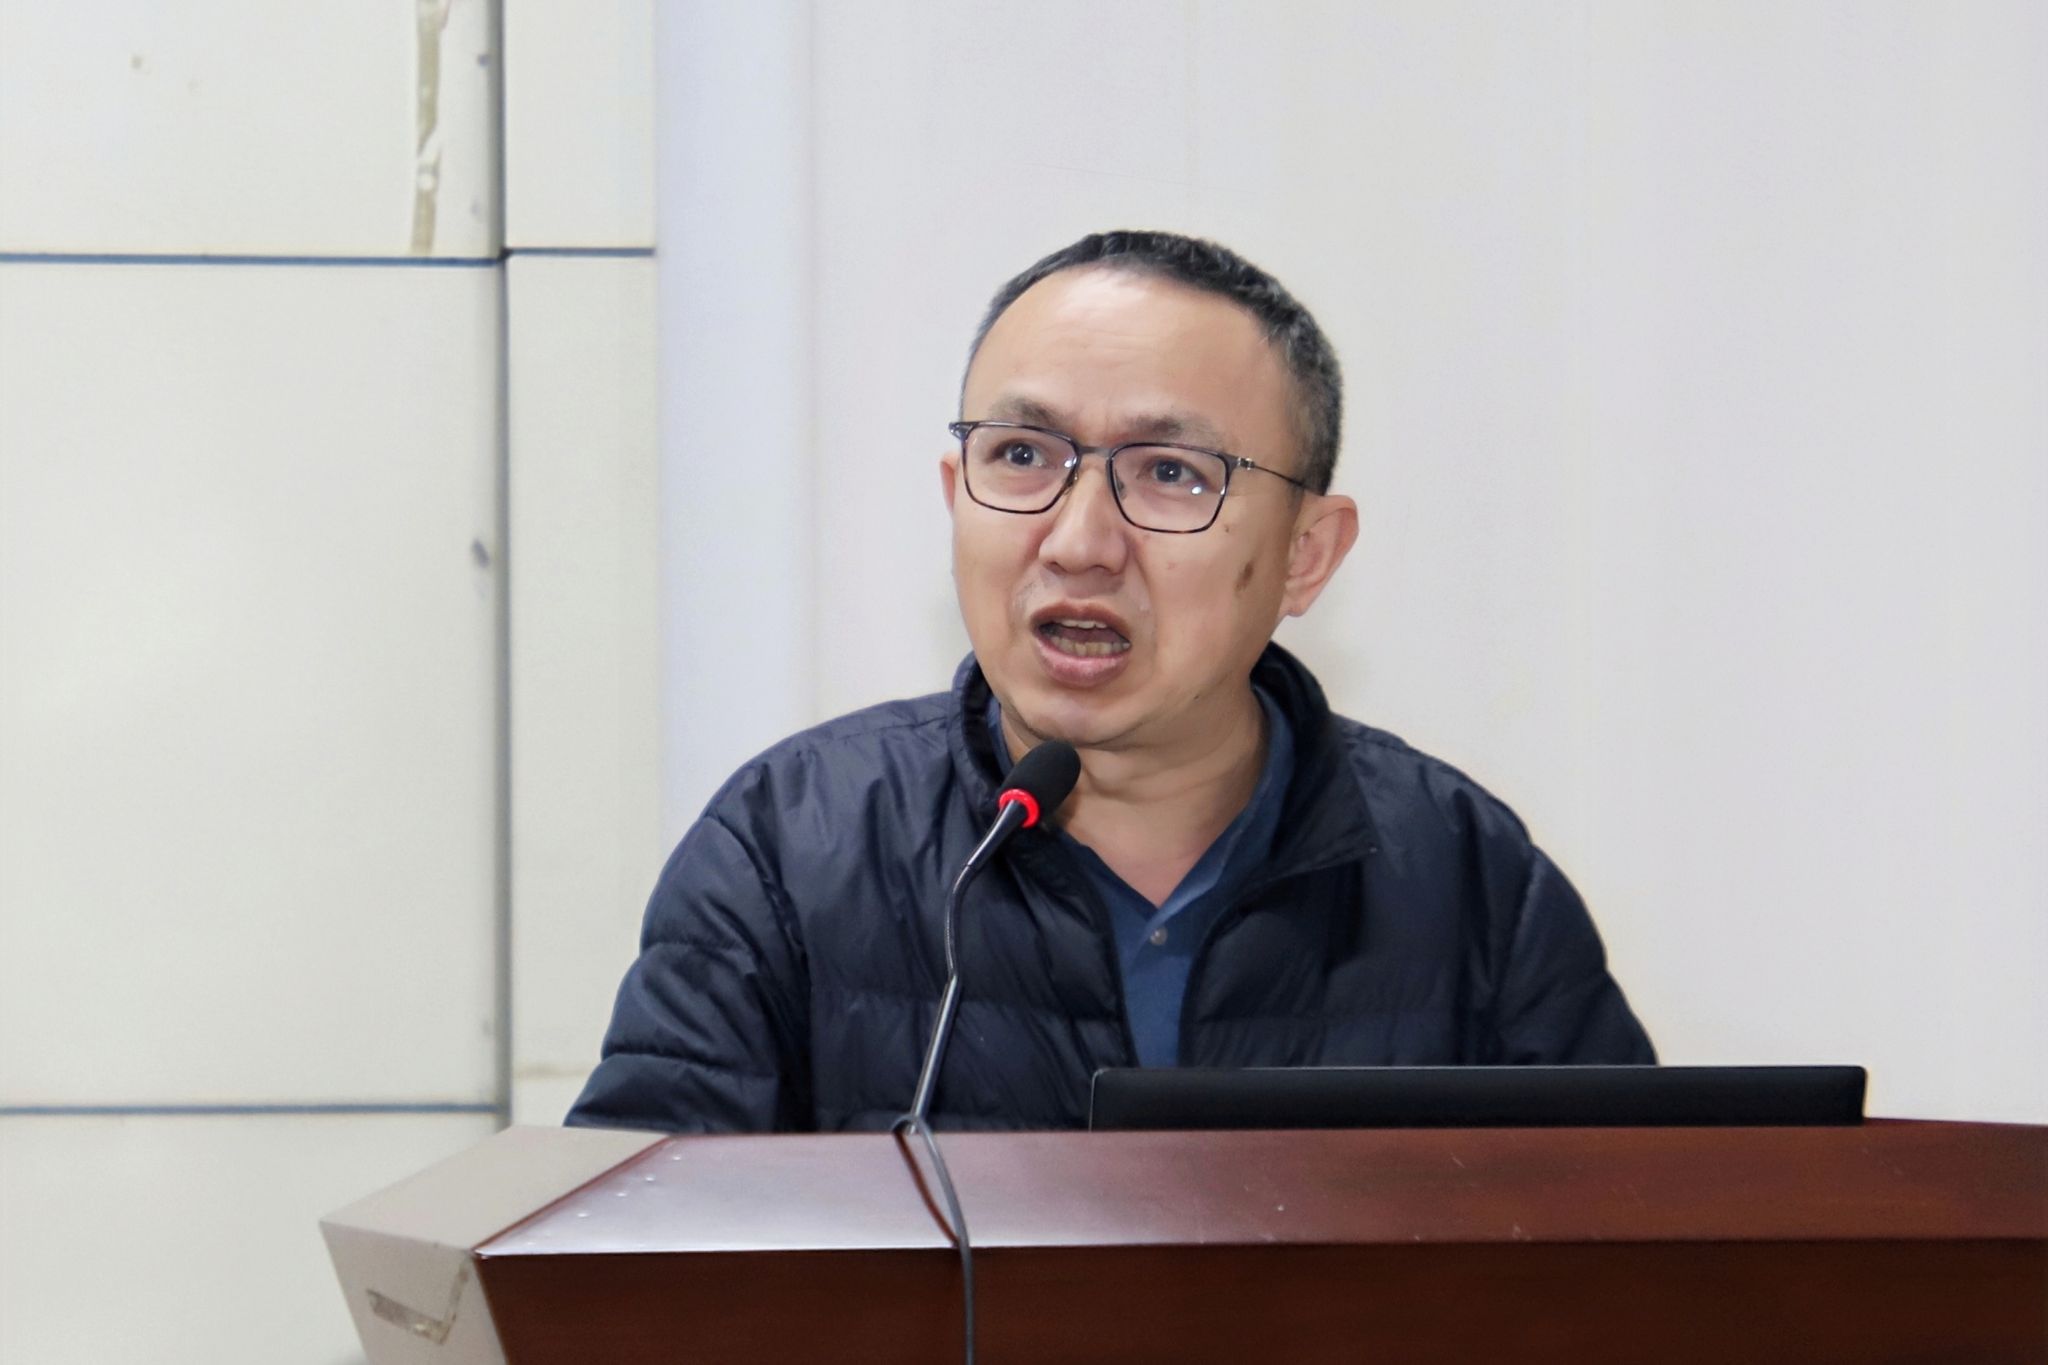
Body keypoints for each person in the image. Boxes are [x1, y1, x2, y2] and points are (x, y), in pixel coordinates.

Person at [568, 230, 1653, 1134]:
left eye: (1170, 473)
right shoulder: (788, 848)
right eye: (1021, 456)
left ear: (1304, 554)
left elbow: (1642, 1266)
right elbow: (622, 1274)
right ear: (955, 495)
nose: (1079, 541)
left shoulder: (1465, 877)